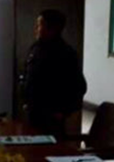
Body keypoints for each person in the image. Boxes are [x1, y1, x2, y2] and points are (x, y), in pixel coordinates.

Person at [24, 9, 87, 137]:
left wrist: (63, 111)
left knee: (50, 146)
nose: (36, 29)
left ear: (52, 29)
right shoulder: (35, 49)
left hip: (51, 117)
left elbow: (79, 86)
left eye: (40, 25)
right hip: (33, 112)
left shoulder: (65, 53)